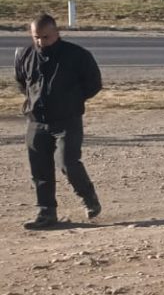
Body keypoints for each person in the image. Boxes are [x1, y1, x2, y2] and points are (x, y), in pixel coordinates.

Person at [14, 13, 103, 229]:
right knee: (40, 169)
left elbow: (94, 83)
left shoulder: (77, 55)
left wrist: (71, 100)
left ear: (56, 33)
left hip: (67, 120)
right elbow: (21, 82)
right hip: (37, 121)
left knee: (68, 163)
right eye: (36, 37)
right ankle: (46, 213)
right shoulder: (25, 55)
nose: (40, 42)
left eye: (45, 37)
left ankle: (88, 197)